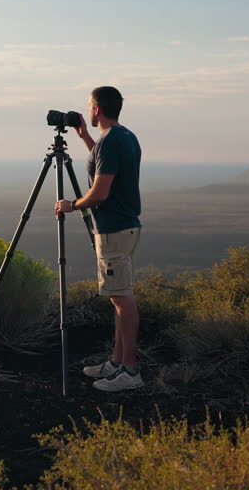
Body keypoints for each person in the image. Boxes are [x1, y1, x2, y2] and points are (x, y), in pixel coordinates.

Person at [54, 85, 143, 391]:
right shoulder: (124, 137)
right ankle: (117, 362)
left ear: (96, 109)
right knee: (119, 297)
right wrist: (84, 139)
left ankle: (130, 372)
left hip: (115, 228)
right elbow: (106, 165)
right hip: (123, 226)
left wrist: (71, 205)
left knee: (122, 298)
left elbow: (101, 192)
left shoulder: (111, 142)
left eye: (89, 105)